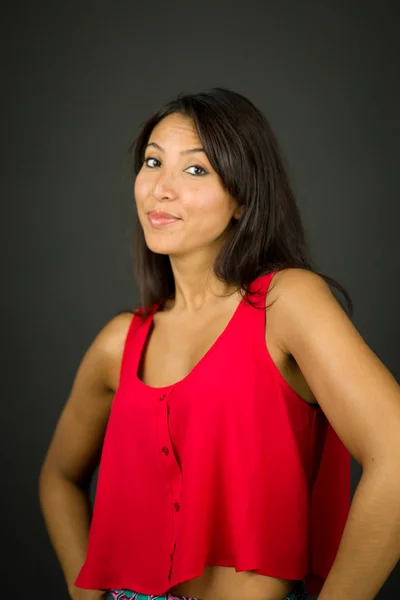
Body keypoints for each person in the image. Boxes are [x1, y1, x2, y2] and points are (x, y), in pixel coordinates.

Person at [39, 88, 400, 600]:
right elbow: (58, 478)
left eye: (195, 170)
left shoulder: (286, 304)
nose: (160, 188)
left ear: (243, 199)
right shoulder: (119, 343)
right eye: (152, 161)